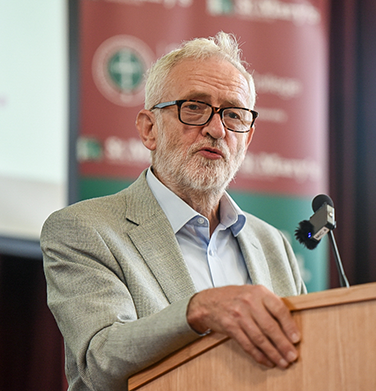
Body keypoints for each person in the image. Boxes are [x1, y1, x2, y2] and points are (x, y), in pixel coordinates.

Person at [41, 31, 307, 391]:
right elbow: (102, 361)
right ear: (149, 129)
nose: (216, 129)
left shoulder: (273, 244)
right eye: (194, 107)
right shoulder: (83, 229)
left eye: (233, 115)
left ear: (247, 137)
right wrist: (199, 310)